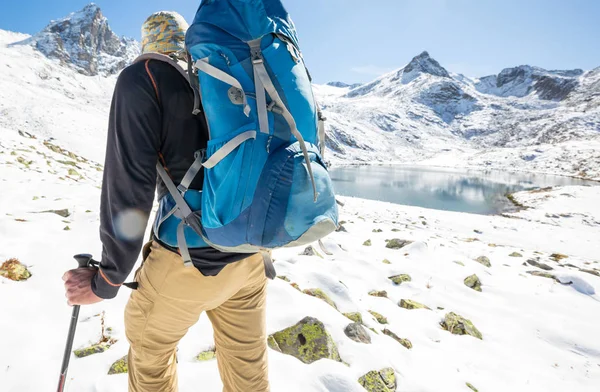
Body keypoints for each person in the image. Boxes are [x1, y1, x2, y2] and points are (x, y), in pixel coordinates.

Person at [62, 11, 270, 392]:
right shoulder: (222, 78)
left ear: (147, 44)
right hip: (250, 254)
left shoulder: (143, 78)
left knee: (150, 355)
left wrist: (108, 278)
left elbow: (129, 186)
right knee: (248, 371)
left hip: (187, 259)